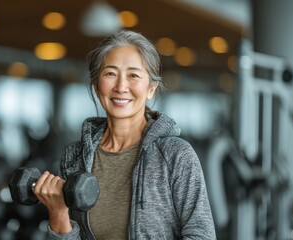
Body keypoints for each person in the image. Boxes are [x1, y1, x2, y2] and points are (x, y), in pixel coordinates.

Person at [32, 30, 216, 239]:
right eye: (110, 73)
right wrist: (58, 214)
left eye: (133, 75)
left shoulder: (176, 155)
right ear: (95, 85)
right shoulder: (75, 156)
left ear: (151, 88)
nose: (121, 86)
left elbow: (202, 235)